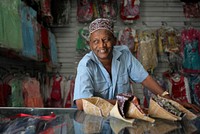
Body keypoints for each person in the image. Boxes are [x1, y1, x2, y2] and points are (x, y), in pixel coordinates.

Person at [73, 18, 200, 112]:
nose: (101, 46)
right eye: (96, 41)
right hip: (94, 122)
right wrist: (122, 104)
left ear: (114, 40)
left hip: (122, 119)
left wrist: (171, 101)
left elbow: (145, 78)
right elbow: (81, 103)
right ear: (90, 44)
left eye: (106, 40)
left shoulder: (124, 54)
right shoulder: (86, 65)